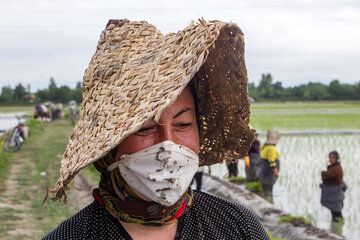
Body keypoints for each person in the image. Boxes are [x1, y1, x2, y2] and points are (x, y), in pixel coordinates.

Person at [42, 19, 269, 239]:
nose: (168, 145)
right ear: (109, 147)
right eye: (145, 128)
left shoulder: (238, 228)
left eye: (183, 125)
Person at [320, 151, 346, 223]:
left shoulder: (336, 168)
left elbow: (327, 175)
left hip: (335, 194)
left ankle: (337, 229)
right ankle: (337, 229)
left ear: (336, 159)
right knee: (335, 212)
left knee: (337, 213)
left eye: (333, 157)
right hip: (334, 194)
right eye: (330, 157)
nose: (331, 159)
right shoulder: (334, 167)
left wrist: (323, 172)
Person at [259, 130, 280, 202]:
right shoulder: (271, 148)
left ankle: (267, 200)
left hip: (264, 169)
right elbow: (271, 160)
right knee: (269, 186)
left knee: (265, 187)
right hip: (269, 170)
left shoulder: (264, 147)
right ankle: (269, 202)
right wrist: (275, 170)